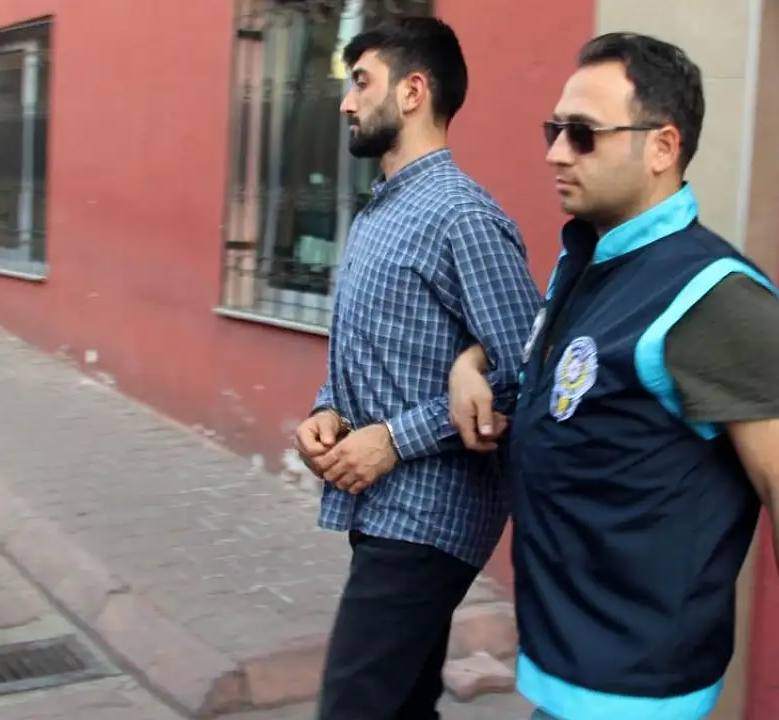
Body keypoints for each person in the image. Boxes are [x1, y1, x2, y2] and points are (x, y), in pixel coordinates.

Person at [448, 32, 779, 720]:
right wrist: (472, 366)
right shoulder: (590, 264)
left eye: (583, 134)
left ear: (662, 147)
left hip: (635, 688)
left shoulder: (715, 298)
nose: (556, 152)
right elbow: (560, 390)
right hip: (566, 666)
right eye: (555, 130)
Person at [292, 16, 541, 719]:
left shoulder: (461, 215)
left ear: (412, 92)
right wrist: (325, 411)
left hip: (431, 512)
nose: (346, 102)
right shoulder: (380, 213)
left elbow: (528, 369)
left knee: (353, 706)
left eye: (361, 83)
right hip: (383, 505)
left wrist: (395, 441)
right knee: (401, 705)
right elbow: (373, 348)